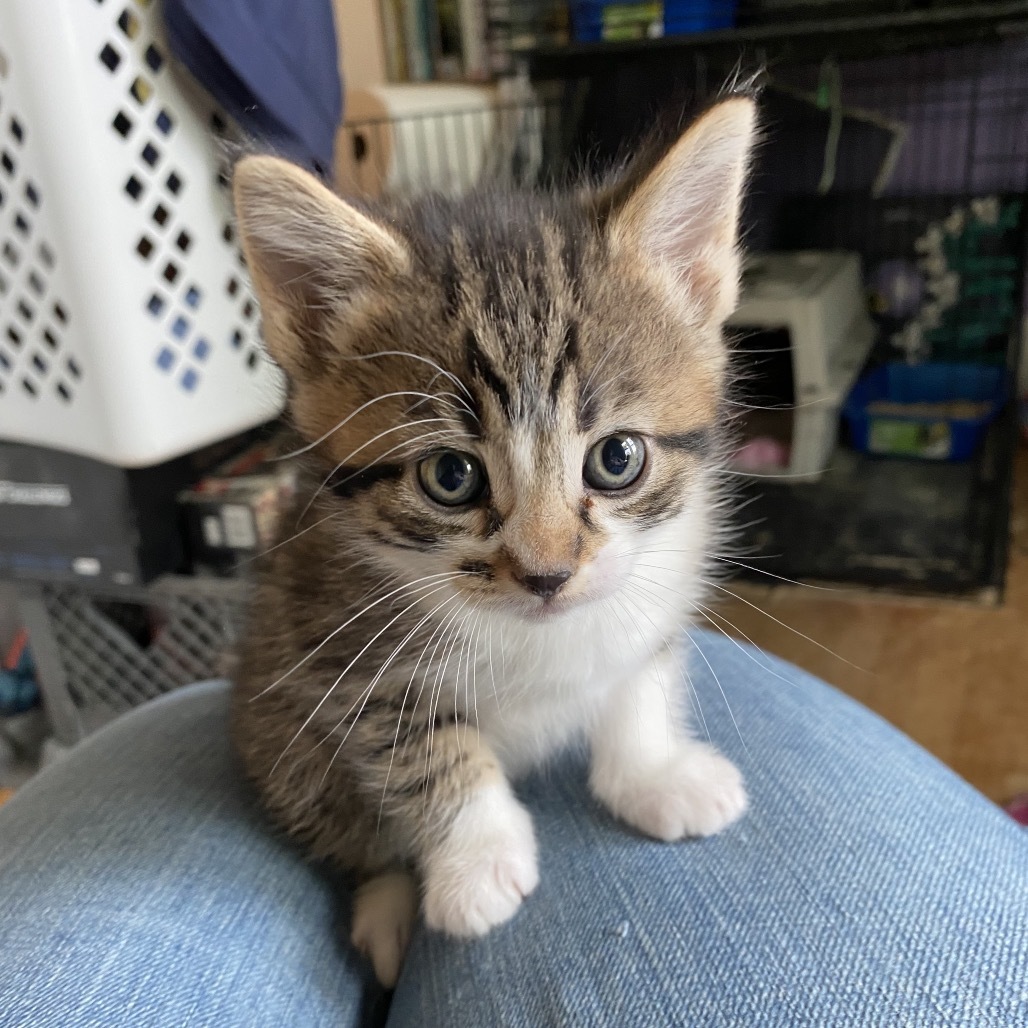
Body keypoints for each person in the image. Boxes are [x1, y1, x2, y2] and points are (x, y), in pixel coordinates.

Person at [1, 632, 1025, 1027]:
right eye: (453, 473)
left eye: (610, 459)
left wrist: (639, 759)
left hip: (516, 733)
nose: (546, 551)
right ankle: (378, 872)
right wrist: (455, 824)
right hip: (364, 778)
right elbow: (367, 697)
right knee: (291, 758)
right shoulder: (364, 578)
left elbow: (650, 624)